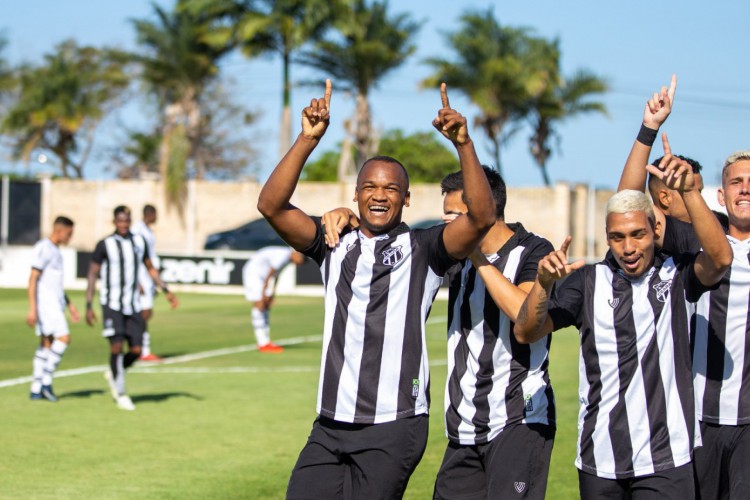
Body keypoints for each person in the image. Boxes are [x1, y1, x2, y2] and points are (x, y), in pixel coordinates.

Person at [257, 80, 495, 498]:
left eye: (390, 189)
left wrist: (464, 143)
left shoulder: (425, 250)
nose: (379, 195)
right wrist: (306, 140)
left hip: (394, 423)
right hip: (330, 424)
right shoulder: (332, 243)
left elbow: (479, 218)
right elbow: (271, 206)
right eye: (369, 187)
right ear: (356, 194)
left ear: (406, 199)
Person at [321, 166, 557, 499]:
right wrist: (348, 215)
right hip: (463, 424)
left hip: (519, 417)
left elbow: (523, 315)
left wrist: (477, 256)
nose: (448, 223)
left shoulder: (533, 250)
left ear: (484, 212)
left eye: (455, 215)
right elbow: (392, 243)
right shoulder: (452, 256)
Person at [514, 143, 732, 499]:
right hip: (600, 458)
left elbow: (721, 259)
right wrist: (541, 284)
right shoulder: (587, 283)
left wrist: (690, 191)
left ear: (654, 231)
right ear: (607, 238)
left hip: (667, 459)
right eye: (617, 237)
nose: (628, 247)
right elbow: (526, 332)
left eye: (637, 235)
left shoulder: (675, 275)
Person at [619, 80, 750, 497]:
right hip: (694, 417)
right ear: (720, 193)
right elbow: (627, 201)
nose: (745, 187)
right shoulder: (693, 239)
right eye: (736, 181)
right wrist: (648, 129)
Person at [85, 205, 178, 411]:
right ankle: (121, 393)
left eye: (126, 220)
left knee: (136, 350)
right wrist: (89, 304)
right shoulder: (105, 244)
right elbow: (92, 274)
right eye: (120, 221)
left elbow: (150, 268)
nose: (123, 224)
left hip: (133, 303)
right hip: (112, 304)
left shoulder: (139, 241)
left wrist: (166, 290)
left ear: (130, 221)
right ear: (114, 222)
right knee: (116, 347)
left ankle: (114, 371)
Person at [26, 216, 79, 402]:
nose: (70, 237)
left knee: (46, 344)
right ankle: (46, 382)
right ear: (60, 230)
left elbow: (55, 284)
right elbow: (33, 279)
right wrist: (32, 309)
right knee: (64, 338)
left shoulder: (55, 250)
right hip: (46, 305)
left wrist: (70, 304)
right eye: (69, 233)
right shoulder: (44, 248)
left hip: (55, 304)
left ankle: (35, 388)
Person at [242, 245, 305, 353]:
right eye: (301, 259)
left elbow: (275, 275)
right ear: (296, 254)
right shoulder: (284, 256)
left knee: (265, 306)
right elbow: (271, 273)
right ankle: (262, 343)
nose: (300, 263)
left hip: (262, 277)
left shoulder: (286, 259)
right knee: (260, 305)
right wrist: (265, 292)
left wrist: (271, 293)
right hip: (254, 274)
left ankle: (265, 341)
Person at [131, 204, 163, 362]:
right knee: (142, 314)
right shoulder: (138, 230)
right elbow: (135, 256)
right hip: (141, 277)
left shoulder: (148, 230)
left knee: (146, 313)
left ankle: (141, 348)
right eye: (156, 214)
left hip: (148, 277)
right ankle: (141, 349)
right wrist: (137, 281)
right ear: (150, 214)